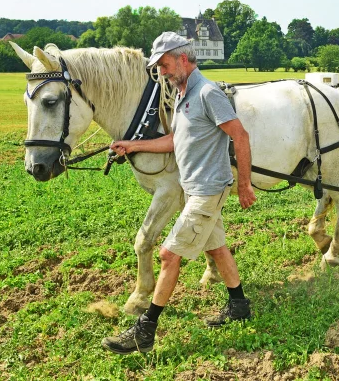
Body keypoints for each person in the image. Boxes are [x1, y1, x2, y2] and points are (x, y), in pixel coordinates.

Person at [101, 31, 257, 355]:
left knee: (168, 255)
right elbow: (174, 141)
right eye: (158, 67)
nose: (162, 73)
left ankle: (145, 329)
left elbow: (239, 135)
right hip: (193, 189)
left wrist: (244, 184)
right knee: (216, 249)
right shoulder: (183, 95)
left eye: (166, 65)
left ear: (183, 59)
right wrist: (132, 145)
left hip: (207, 192)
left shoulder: (207, 93)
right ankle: (239, 305)